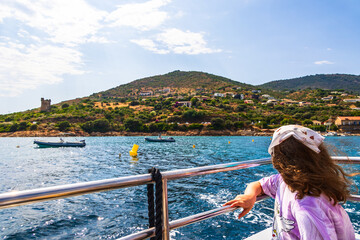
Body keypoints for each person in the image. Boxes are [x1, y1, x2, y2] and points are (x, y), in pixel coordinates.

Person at [224, 125, 355, 239]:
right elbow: (259, 185)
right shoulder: (284, 182)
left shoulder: (307, 207)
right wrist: (249, 196)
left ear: (279, 159)